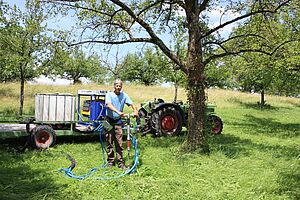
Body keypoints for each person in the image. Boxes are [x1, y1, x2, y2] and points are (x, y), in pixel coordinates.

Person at [105, 79, 138, 169]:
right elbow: (108, 105)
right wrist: (118, 111)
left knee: (119, 143)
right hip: (108, 121)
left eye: (120, 86)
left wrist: (135, 110)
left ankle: (120, 163)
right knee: (109, 142)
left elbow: (131, 104)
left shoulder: (124, 95)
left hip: (118, 121)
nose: (118, 87)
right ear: (114, 86)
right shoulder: (109, 95)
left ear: (121, 87)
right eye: (117, 86)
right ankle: (110, 162)